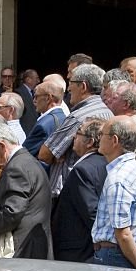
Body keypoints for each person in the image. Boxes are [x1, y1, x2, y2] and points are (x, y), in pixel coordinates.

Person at [91, 116, 136, 270]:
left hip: (115, 258)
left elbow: (123, 234)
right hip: (133, 255)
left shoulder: (118, 179)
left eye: (102, 135)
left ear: (114, 140)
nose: (98, 139)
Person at [0, 122, 53, 259]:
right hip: (32, 247)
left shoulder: (16, 168)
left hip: (23, 250)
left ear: (1, 146)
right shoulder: (26, 161)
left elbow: (12, 213)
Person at [39, 64, 111, 199]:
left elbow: (44, 154)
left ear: (83, 86)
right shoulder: (108, 112)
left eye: (71, 82)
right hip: (99, 186)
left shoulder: (78, 117)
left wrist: (58, 154)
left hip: (69, 191)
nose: (68, 88)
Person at [53, 118, 107, 263]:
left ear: (89, 142)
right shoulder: (104, 164)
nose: (73, 137)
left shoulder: (82, 170)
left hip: (76, 248)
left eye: (78, 133)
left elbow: (91, 212)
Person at [22, 81, 65, 158]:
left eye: (36, 97)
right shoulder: (64, 117)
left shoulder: (43, 126)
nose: (34, 101)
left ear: (48, 98)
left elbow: (24, 154)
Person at [15, 68, 40, 133]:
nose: (38, 81)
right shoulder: (18, 93)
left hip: (35, 130)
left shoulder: (36, 92)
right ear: (28, 80)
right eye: (36, 78)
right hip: (25, 130)